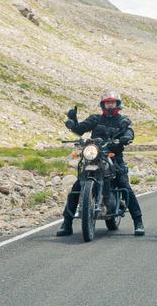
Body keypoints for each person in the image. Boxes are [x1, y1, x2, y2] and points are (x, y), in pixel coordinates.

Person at [56, 91, 144, 237]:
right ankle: (67, 223)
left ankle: (138, 222)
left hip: (114, 158)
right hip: (94, 156)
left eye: (112, 102)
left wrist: (126, 137)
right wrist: (73, 121)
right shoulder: (95, 119)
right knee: (77, 187)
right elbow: (80, 129)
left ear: (117, 104)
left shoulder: (122, 120)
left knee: (124, 185)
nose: (110, 105)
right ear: (103, 105)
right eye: (107, 102)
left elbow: (129, 131)